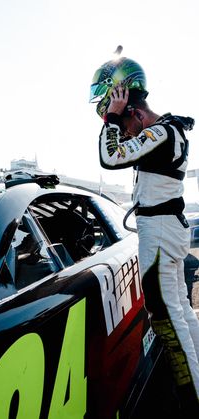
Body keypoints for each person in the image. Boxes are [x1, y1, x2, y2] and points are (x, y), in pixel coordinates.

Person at [90, 46, 199, 415]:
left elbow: (110, 157)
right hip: (167, 230)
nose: (125, 134)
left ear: (132, 110)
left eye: (126, 124)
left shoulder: (163, 133)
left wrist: (113, 121)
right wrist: (119, 118)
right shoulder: (169, 131)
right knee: (181, 311)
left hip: (159, 233)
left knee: (168, 323)